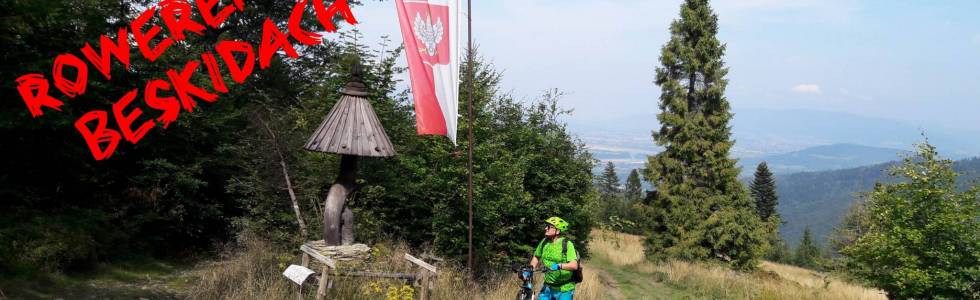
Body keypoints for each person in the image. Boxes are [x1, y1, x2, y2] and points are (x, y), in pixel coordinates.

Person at [529, 216, 579, 300]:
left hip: (564, 288)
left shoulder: (567, 244)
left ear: (557, 231)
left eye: (548, 227)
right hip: (548, 287)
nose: (545, 228)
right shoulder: (544, 242)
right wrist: (530, 269)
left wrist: (559, 266)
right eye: (546, 226)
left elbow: (574, 265)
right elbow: (536, 257)